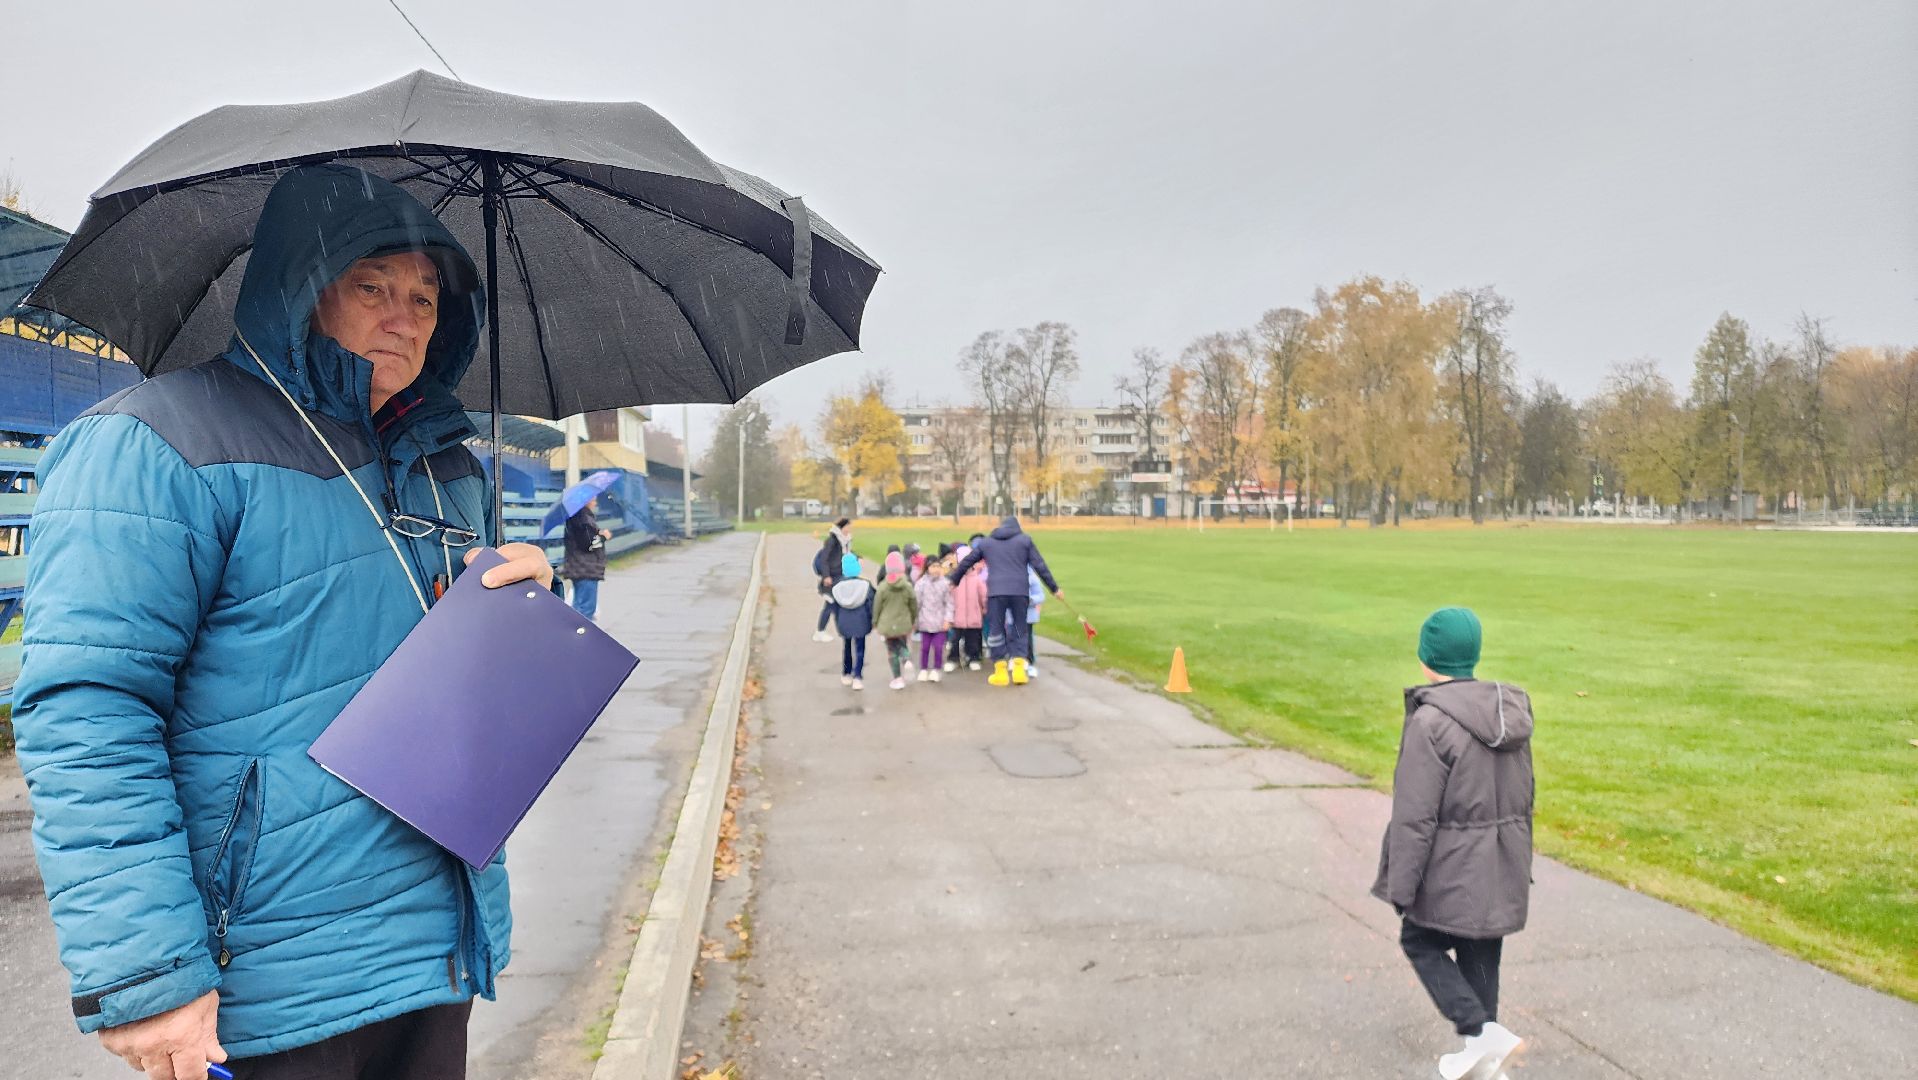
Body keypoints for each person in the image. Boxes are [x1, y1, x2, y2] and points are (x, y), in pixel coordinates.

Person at [14, 164, 555, 1079]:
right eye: (372, 285)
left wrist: (526, 608)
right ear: (301, 288)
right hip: (265, 987)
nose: (406, 316)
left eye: (426, 297)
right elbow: (88, 712)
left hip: (431, 952)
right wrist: (149, 977)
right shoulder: (156, 443)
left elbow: (461, 694)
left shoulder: (447, 467)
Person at [1372, 607, 1534, 1080]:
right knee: (1481, 950)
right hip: (1500, 862)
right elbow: (1524, 795)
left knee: (1419, 939)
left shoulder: (1430, 723)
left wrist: (1401, 886)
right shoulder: (1508, 715)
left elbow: (1414, 815)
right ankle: (1483, 1056)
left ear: (1427, 659)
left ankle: (1481, 1032)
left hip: (1454, 868)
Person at [948, 516, 1061, 687]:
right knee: (1019, 629)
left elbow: (967, 561)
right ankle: (1018, 671)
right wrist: (1054, 588)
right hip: (1019, 591)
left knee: (996, 629)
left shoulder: (987, 543)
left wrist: (954, 580)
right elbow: (1040, 565)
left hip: (996, 592)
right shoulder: (1025, 541)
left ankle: (1000, 671)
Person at [873, 551, 919, 691]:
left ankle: (897, 678)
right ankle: (906, 659)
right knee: (902, 644)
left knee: (891, 650)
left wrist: (875, 622)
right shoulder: (908, 586)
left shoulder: (882, 587)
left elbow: (877, 607)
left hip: (887, 624)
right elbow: (913, 606)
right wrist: (913, 621)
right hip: (903, 623)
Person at [830, 552, 874, 691]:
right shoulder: (865, 585)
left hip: (844, 621)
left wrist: (838, 621)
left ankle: (846, 673)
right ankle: (858, 676)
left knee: (847, 647)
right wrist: (872, 620)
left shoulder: (837, 588)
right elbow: (871, 604)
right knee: (860, 649)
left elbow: (834, 608)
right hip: (861, 620)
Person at [563, 496, 612, 620]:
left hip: (580, 567)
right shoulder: (583, 519)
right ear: (586, 501)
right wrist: (603, 537)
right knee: (585, 609)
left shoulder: (579, 517)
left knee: (579, 606)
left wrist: (597, 533)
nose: (595, 502)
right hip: (585, 568)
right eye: (594, 499)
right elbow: (588, 544)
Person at [912, 555, 955, 683]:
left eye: (938, 566)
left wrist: (948, 620)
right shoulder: (920, 584)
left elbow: (949, 603)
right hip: (925, 621)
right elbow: (917, 604)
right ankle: (924, 669)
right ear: (927, 568)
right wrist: (915, 621)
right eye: (933, 566)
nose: (936, 569)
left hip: (940, 622)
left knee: (938, 647)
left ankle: (936, 669)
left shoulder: (945, 584)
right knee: (924, 647)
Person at [947, 545, 988, 672]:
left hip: (974, 616)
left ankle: (973, 658)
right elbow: (949, 596)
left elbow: (984, 597)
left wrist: (984, 609)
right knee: (955, 640)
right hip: (957, 616)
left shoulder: (977, 580)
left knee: (973, 640)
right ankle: (953, 659)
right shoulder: (954, 579)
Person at [811, 518, 852, 643]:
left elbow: (845, 556)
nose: (849, 529)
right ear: (842, 527)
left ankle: (840, 630)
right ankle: (820, 631)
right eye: (848, 527)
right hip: (831, 578)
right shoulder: (832, 541)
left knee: (836, 605)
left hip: (839, 576)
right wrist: (826, 576)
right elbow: (824, 559)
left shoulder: (845, 541)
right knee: (830, 605)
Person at [1022, 566, 1046, 676]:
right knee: (1013, 637)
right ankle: (1016, 659)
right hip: (1013, 614)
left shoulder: (1032, 578)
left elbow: (1040, 595)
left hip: (1028, 615)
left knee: (1027, 638)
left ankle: (1028, 662)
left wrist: (1031, 600)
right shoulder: (1010, 575)